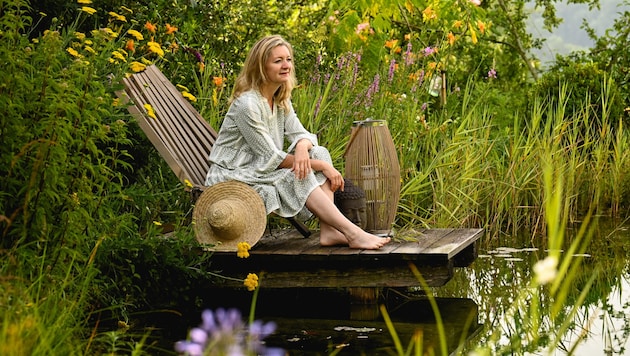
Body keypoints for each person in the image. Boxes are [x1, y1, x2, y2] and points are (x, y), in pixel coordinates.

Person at [204, 35, 390, 249]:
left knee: (318, 151)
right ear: (261, 67)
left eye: (289, 59)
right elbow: (271, 157)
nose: (286, 66)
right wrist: (322, 167)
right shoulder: (247, 105)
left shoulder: (280, 98)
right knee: (299, 172)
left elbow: (304, 134)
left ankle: (329, 231)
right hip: (234, 173)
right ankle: (352, 232)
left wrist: (302, 146)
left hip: (259, 167)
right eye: (278, 61)